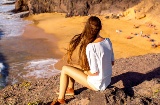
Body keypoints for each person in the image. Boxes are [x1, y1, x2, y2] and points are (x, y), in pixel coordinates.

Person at [51, 16, 114, 105]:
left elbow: (94, 72)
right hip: (107, 81)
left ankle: (60, 99)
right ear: (101, 27)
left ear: (87, 29)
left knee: (65, 69)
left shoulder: (91, 47)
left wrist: (84, 70)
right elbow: (112, 62)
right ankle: (70, 89)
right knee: (72, 66)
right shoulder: (108, 41)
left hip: (97, 84)